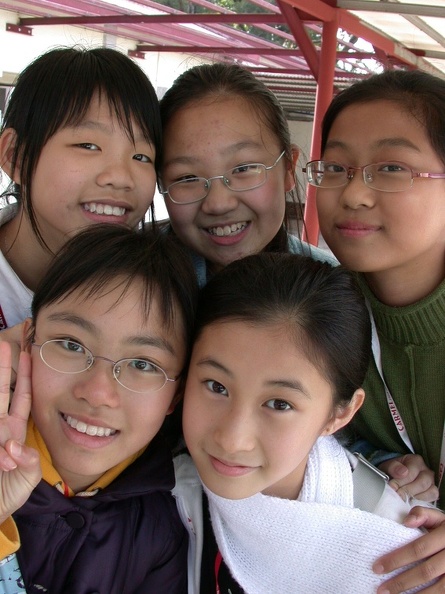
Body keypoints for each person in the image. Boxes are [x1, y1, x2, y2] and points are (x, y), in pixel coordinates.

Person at [173, 251, 440, 594]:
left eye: (279, 404)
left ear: (339, 414)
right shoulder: (167, 492)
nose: (231, 439)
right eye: (216, 386)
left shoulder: (404, 545)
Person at [0, 223, 198, 593]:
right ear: (27, 343)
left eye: (142, 364)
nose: (97, 393)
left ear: (176, 395)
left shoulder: (167, 530)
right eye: (72, 345)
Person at [305, 68, 445, 592]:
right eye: (336, 168)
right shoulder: (317, 321)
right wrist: (376, 462)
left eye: (391, 168)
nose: (355, 193)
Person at [0, 45, 161, 332]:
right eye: (88, 145)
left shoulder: (156, 292)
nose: (121, 178)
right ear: (16, 156)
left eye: (141, 157)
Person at [158, 62, 336, 287]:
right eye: (187, 178)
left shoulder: (335, 290)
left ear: (288, 169)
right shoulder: (122, 286)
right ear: (160, 183)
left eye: (243, 169)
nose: (219, 204)